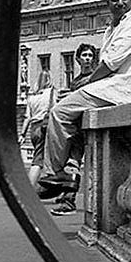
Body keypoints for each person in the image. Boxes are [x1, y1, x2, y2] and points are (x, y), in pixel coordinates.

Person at [38, 0, 131, 200]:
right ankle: (71, 170)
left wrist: (88, 83)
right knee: (71, 119)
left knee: (59, 113)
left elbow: (110, 63)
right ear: (108, 3)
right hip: (109, 87)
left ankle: (55, 173)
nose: (120, 3)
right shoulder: (112, 27)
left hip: (119, 88)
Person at [50, 43, 98, 216]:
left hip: (86, 127)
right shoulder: (76, 81)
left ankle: (68, 200)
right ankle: (66, 196)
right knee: (71, 163)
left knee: (74, 162)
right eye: (84, 55)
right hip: (74, 127)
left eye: (90, 55)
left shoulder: (96, 78)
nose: (87, 58)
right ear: (78, 59)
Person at [19, 70, 54, 188]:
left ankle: (45, 186)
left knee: (43, 158)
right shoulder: (51, 93)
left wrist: (22, 134)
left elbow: (27, 117)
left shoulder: (31, 97)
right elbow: (55, 110)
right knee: (38, 161)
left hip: (33, 130)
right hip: (45, 127)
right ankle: (28, 189)